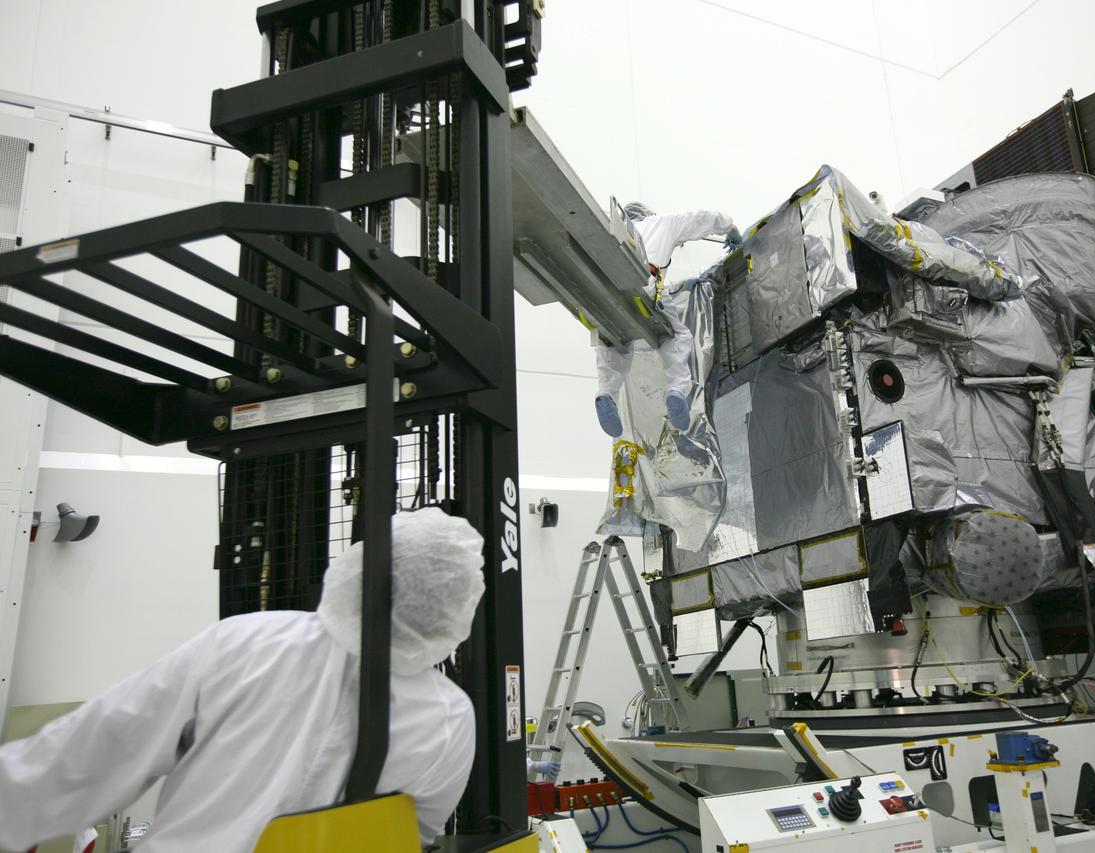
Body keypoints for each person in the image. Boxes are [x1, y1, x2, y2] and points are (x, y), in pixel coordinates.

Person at [0, 508, 485, 853]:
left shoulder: (247, 643)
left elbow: (102, 747)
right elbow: (408, 837)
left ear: (359, 568)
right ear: (456, 608)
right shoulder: (449, 719)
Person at [594, 202, 740, 438]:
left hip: (605, 289)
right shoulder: (662, 222)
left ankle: (606, 392)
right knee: (676, 336)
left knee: (613, 339)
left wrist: (681, 286)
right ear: (647, 214)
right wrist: (730, 228)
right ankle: (676, 390)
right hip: (645, 285)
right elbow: (702, 217)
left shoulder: (610, 228)